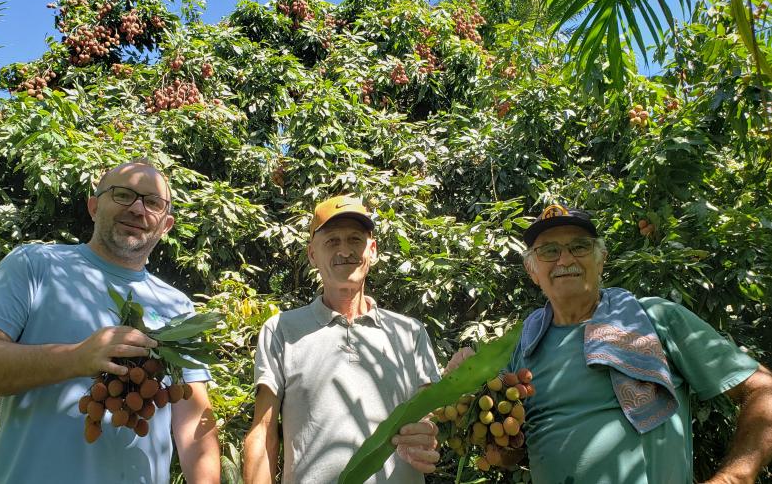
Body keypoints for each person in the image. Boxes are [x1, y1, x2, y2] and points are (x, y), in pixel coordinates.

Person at [0, 161, 221, 484]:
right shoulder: (34, 266)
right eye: (123, 194)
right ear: (94, 206)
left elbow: (195, 425)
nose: (138, 210)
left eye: (153, 203)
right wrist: (76, 358)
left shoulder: (178, 306)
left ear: (166, 224)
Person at [448, 204, 772, 483]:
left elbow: (763, 389)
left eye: (579, 247)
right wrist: (468, 392)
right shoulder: (521, 347)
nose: (564, 260)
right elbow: (509, 454)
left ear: (601, 260)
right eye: (549, 251)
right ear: (532, 271)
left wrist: (736, 475)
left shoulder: (653, 319)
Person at [243, 195, 442, 483]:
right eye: (332, 241)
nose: (345, 250)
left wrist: (430, 438)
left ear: (371, 250)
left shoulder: (410, 332)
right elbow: (263, 431)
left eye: (355, 239)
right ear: (313, 254)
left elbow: (432, 418)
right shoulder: (281, 330)